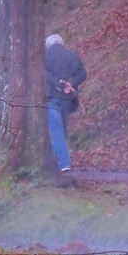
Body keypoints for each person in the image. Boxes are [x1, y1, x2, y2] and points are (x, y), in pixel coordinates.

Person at [44, 33, 87, 172]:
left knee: (56, 131)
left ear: (48, 44)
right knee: (61, 129)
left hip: (52, 98)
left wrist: (59, 84)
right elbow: (82, 73)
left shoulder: (45, 55)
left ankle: (63, 163)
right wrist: (71, 83)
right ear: (61, 43)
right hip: (68, 99)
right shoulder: (72, 55)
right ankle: (58, 160)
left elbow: (44, 74)